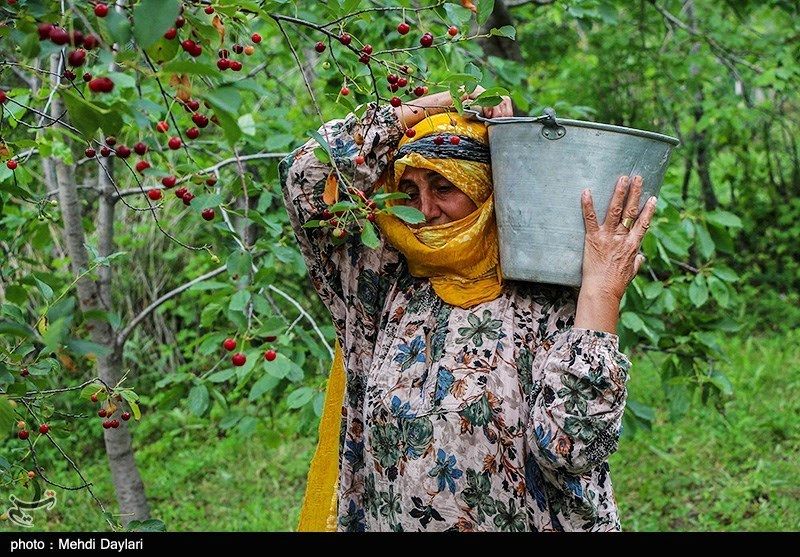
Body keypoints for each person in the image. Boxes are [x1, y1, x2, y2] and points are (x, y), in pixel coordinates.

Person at [279, 86, 655, 532]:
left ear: (486, 189)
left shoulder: (543, 290)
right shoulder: (378, 284)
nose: (425, 210)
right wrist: (436, 103)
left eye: (443, 186)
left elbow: (570, 448)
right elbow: (305, 174)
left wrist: (602, 292)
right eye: (408, 191)